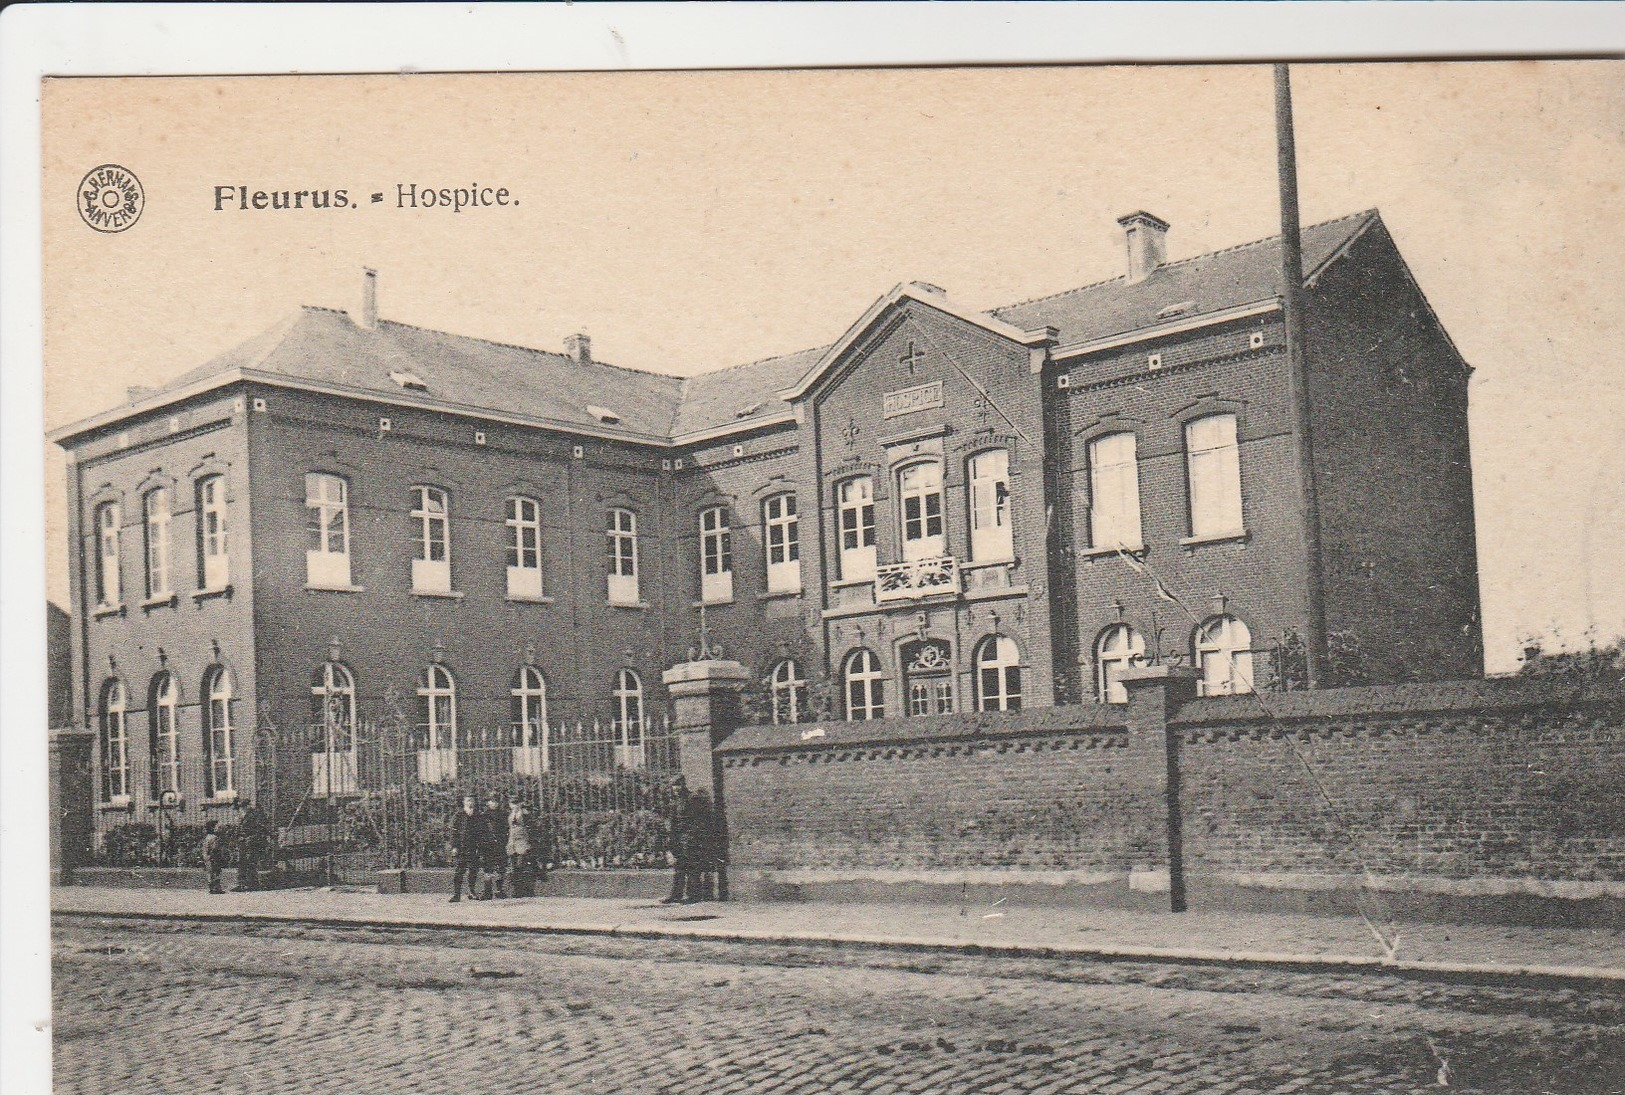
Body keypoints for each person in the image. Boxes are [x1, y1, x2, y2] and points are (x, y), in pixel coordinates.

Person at [448, 794, 487, 902]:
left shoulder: (478, 815)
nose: (470, 803)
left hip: (474, 847)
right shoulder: (459, 815)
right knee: (459, 871)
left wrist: (481, 846)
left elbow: (482, 832)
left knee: (473, 870)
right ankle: (457, 894)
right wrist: (454, 846)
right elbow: (453, 832)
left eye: (472, 801)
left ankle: (471, 891)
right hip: (461, 847)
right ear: (464, 802)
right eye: (468, 800)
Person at [660, 776, 690, 904]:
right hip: (676, 836)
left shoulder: (689, 799)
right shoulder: (673, 801)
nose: (675, 788)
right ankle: (676, 895)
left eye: (678, 785)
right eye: (673, 785)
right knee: (678, 866)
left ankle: (692, 895)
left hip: (687, 836)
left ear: (683, 785)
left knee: (690, 866)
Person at [233, 801, 269, 892]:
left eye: (244, 806)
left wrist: (249, 838)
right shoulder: (243, 816)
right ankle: (241, 884)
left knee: (251, 863)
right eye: (241, 807)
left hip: (251, 843)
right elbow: (239, 830)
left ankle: (252, 884)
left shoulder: (255, 815)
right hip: (242, 843)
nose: (242, 809)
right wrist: (239, 837)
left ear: (248, 806)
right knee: (241, 863)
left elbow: (260, 830)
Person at [481, 792, 510, 899]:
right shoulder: (484, 815)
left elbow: (507, 829)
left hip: (501, 844)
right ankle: (487, 891)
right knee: (488, 868)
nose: (494, 803)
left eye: (496, 801)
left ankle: (499, 889)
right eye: (492, 801)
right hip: (488, 845)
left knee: (501, 867)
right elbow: (481, 831)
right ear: (488, 802)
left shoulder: (504, 814)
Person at [506, 797, 533, 898]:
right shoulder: (510, 814)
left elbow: (530, 827)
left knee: (520, 864)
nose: (515, 805)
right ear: (510, 805)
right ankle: (514, 890)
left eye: (516, 803)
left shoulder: (525, 814)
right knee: (513, 867)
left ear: (520, 804)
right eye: (512, 803)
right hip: (512, 841)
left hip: (522, 840)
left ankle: (522, 889)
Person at [201, 819, 225, 895]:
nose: (220, 828)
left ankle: (211, 887)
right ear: (213, 828)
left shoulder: (207, 837)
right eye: (218, 827)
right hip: (213, 857)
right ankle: (216, 888)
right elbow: (215, 848)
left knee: (210, 872)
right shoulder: (214, 837)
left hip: (207, 857)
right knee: (216, 871)